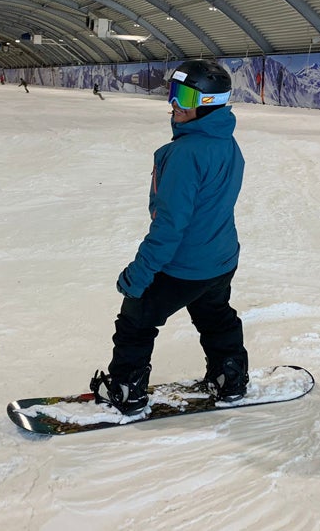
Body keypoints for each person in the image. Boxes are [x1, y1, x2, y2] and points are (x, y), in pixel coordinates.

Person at [90, 60, 248, 415]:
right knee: (215, 315)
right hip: (220, 260)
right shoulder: (227, 143)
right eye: (173, 94)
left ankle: (127, 390)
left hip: (184, 265)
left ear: (209, 101)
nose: (174, 104)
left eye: (185, 96)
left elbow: (170, 226)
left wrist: (140, 274)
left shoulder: (185, 154)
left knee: (136, 319)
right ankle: (230, 376)